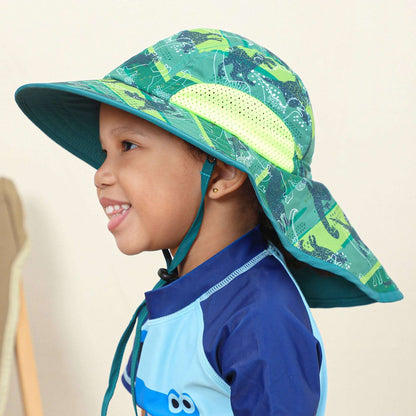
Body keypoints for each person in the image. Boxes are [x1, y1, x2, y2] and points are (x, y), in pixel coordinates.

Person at [15, 28, 403, 416]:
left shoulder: (262, 319)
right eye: (105, 152)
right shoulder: (178, 295)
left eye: (127, 146)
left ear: (221, 173)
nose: (100, 174)